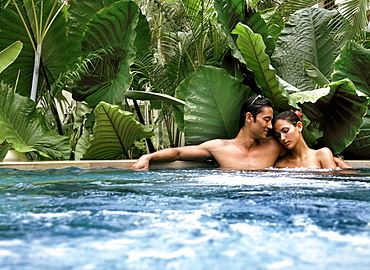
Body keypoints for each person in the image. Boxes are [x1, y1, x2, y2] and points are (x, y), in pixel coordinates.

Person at [131, 95, 288, 170]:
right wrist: (148, 156)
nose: (270, 125)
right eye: (266, 119)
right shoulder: (219, 148)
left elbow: (304, 154)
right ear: (249, 117)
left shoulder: (276, 145)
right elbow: (178, 153)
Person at [273, 110, 347, 169]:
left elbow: (333, 183)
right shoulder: (280, 164)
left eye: (285, 131)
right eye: (278, 135)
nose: (282, 138)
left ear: (299, 126)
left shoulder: (322, 154)